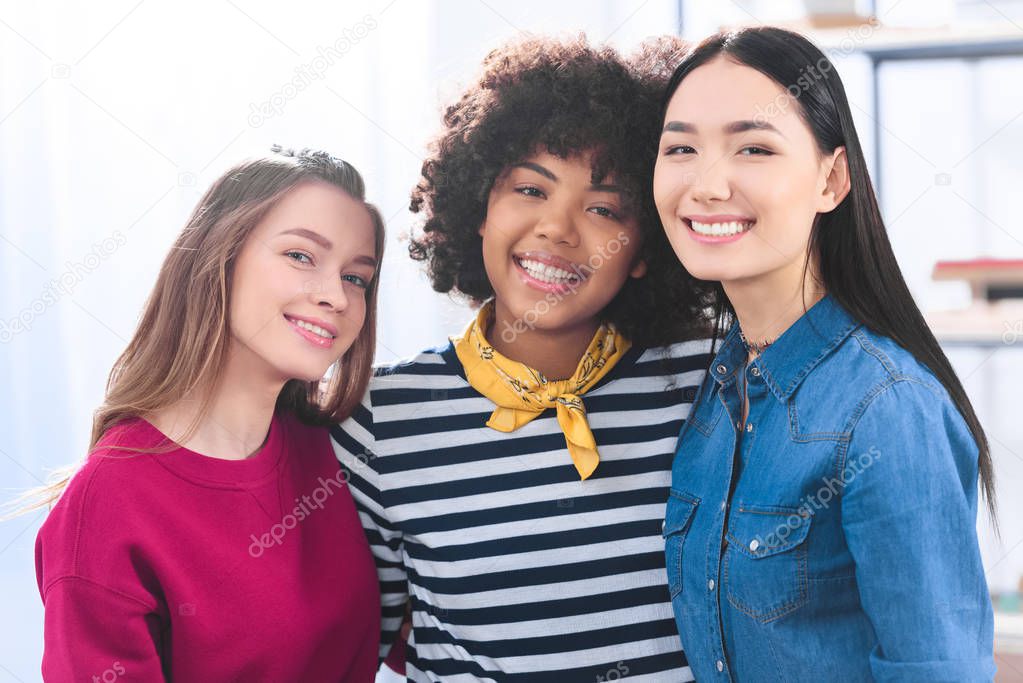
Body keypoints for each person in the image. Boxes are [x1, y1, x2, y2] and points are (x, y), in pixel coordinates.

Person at [332, 36, 716, 681]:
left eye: (603, 208)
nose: (558, 229)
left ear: (648, 245)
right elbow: (366, 641)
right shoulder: (380, 420)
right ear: (477, 208)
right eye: (530, 190)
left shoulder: (705, 383)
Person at [654, 27, 996, 681]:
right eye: (680, 148)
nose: (707, 184)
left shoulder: (887, 407)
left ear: (830, 178)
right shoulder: (717, 387)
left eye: (753, 147)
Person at [33, 147, 386, 681]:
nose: (336, 296)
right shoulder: (107, 503)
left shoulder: (340, 446)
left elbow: (438, 631)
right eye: (301, 256)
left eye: (357, 278)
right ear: (218, 255)